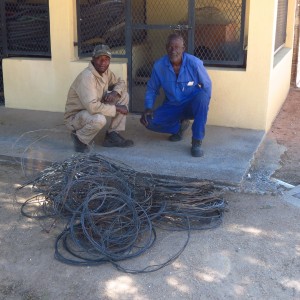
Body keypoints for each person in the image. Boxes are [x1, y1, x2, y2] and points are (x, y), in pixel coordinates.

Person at [140, 33, 212, 157]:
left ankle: (197, 141)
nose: (174, 51)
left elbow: (207, 86)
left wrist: (203, 107)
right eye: (171, 47)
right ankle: (179, 127)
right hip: (172, 105)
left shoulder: (194, 63)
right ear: (166, 47)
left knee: (202, 97)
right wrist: (148, 107)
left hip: (191, 105)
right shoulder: (159, 66)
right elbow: (152, 89)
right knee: (148, 121)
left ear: (183, 49)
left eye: (177, 47)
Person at [64, 44, 133, 153]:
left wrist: (115, 92)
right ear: (93, 59)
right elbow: (92, 107)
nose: (103, 62)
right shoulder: (87, 77)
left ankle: (113, 135)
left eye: (106, 59)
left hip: (92, 108)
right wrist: (117, 108)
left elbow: (120, 82)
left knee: (123, 95)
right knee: (99, 119)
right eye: (99, 59)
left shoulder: (106, 72)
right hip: (75, 117)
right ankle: (79, 138)